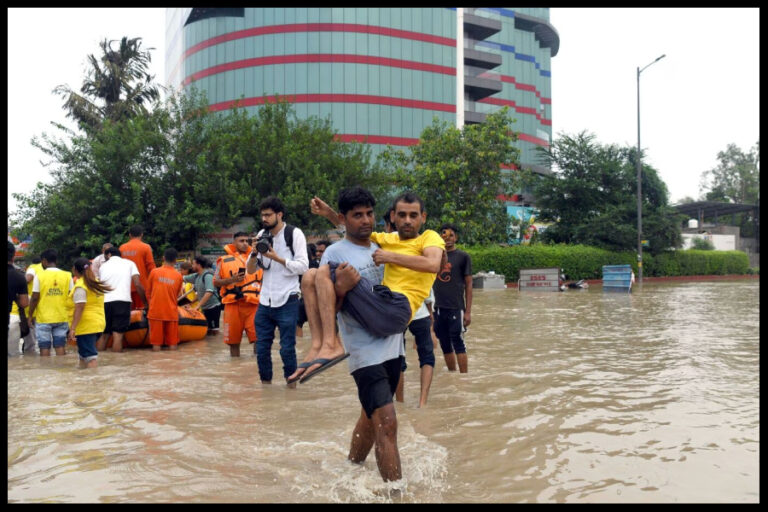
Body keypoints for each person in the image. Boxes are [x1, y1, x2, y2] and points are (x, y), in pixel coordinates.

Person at [295, 190, 444, 385]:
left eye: (413, 215)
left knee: (318, 273)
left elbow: (433, 264)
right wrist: (329, 213)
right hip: (381, 316)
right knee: (309, 276)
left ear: (423, 217)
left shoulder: (428, 237)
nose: (407, 221)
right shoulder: (386, 240)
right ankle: (319, 345)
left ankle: (329, 344)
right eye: (402, 215)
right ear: (393, 217)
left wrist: (389, 257)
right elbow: (351, 228)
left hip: (397, 309)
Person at [246, 196, 308, 387]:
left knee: (287, 348)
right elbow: (250, 270)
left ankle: (291, 387)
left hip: (287, 298)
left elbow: (304, 267)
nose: (264, 219)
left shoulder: (294, 234)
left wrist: (277, 258)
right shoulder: (262, 234)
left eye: (268, 215)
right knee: (262, 349)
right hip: (265, 300)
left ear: (279, 215)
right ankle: (266, 387)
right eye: (262, 215)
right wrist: (255, 252)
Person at [214, 232, 263, 357]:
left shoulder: (257, 258)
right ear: (234, 243)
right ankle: (235, 366)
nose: (245, 243)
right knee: (233, 341)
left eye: (247, 241)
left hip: (253, 304)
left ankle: (258, 365)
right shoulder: (223, 260)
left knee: (259, 339)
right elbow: (215, 282)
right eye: (241, 241)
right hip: (232, 305)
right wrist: (232, 280)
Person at [432, 223, 473, 373]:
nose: (448, 238)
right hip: (438, 308)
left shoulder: (463, 257)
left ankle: (463, 378)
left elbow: (469, 285)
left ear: (456, 237)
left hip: (456, 307)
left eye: (451, 235)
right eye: (444, 235)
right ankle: (452, 376)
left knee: (458, 342)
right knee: (444, 343)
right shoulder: (434, 256)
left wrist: (467, 312)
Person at [96, 246, 148, 353]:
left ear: (109, 255)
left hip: (104, 302)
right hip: (122, 301)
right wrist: (145, 303)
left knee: (104, 334)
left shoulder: (102, 267)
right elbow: (137, 284)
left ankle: (98, 364)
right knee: (118, 335)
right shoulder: (129, 263)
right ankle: (117, 365)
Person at [395, 287, 437, 408]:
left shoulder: (391, 267)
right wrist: (430, 313)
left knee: (397, 357)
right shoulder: (421, 267)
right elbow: (427, 292)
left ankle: (399, 401)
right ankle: (422, 402)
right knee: (427, 357)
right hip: (420, 312)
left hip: (397, 313)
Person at [28, 248, 74, 357]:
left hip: (44, 317)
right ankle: (61, 370)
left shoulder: (39, 276)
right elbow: (71, 295)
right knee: (60, 345)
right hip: (62, 316)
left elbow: (34, 298)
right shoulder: (67, 275)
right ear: (56, 260)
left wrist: (30, 315)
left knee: (44, 347)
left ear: (44, 261)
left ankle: (45, 371)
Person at [67, 257, 112, 368]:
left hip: (86, 326)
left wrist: (72, 328)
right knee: (83, 355)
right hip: (98, 324)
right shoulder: (95, 283)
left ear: (75, 270)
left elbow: (80, 307)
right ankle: (83, 380)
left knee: (90, 357)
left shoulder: (81, 286)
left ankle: (93, 382)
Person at [146, 248, 184, 351]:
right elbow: (177, 294)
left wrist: (150, 305)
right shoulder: (179, 276)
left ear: (163, 258)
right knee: (173, 344)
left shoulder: (154, 272)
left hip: (155, 312)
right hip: (171, 312)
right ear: (176, 260)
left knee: (156, 344)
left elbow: (148, 292)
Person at [9, 255, 42, 355]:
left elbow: (28, 278)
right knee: (13, 355)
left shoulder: (32, 268)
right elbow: (24, 303)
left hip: (30, 310)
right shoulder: (18, 277)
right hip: (27, 311)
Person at [119, 225, 156, 310]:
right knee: (141, 315)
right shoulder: (146, 247)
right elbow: (151, 267)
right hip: (142, 288)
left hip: (126, 287)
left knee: (129, 315)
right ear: (142, 234)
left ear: (130, 235)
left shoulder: (122, 248)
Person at [184, 256, 221, 335]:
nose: (192, 266)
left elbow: (209, 292)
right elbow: (182, 278)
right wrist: (191, 302)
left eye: (193, 264)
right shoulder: (196, 276)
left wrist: (197, 306)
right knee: (207, 331)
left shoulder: (207, 276)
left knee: (214, 332)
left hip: (213, 308)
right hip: (205, 308)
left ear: (199, 265)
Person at [7, 241, 29, 357]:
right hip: (11, 319)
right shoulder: (19, 277)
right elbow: (24, 303)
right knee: (12, 358)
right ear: (14, 256)